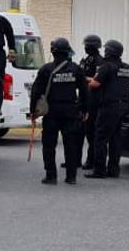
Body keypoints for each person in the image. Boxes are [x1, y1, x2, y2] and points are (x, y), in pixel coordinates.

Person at [31, 38, 89, 185]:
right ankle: (71, 177)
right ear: (68, 51)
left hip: (51, 112)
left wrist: (33, 111)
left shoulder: (46, 69)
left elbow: (36, 91)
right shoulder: (76, 69)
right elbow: (84, 91)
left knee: (49, 145)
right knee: (71, 144)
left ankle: (51, 176)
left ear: (53, 51)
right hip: (70, 111)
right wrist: (84, 109)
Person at [87, 39, 129, 179]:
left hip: (109, 107)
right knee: (115, 139)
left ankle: (99, 170)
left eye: (106, 49)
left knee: (100, 138)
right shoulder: (126, 67)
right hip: (123, 107)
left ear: (109, 51)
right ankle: (114, 170)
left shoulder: (107, 66)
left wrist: (87, 80)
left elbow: (94, 85)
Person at [79, 34, 104, 171]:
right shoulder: (86, 59)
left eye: (88, 46)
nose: (86, 48)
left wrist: (83, 78)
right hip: (83, 98)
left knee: (91, 132)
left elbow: (97, 80)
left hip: (94, 100)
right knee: (80, 132)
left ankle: (91, 160)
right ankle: (77, 160)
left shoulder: (99, 61)